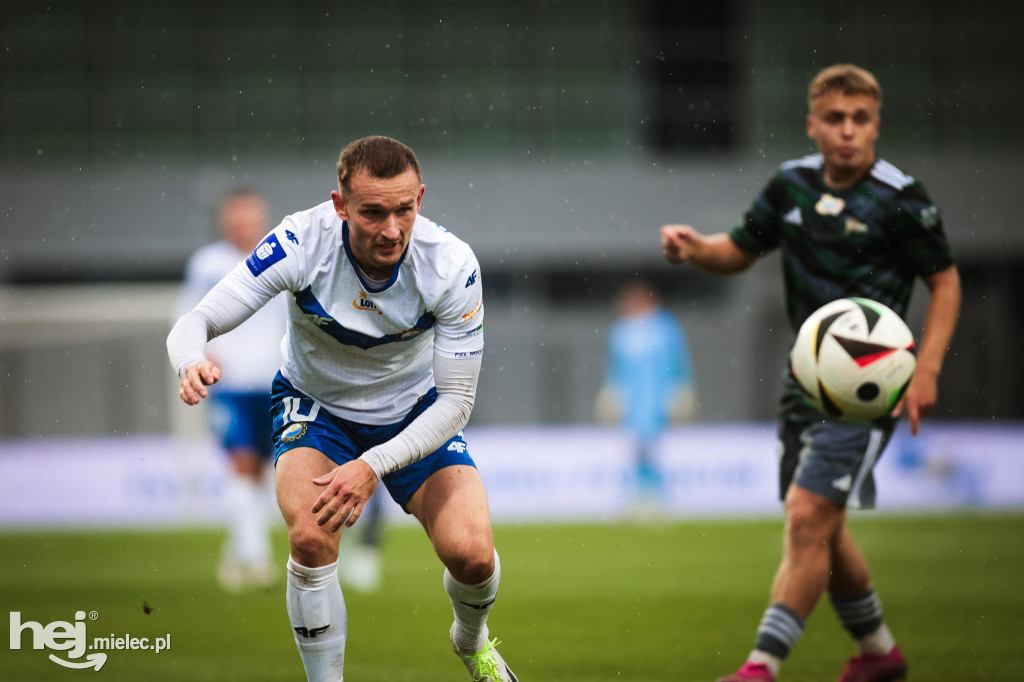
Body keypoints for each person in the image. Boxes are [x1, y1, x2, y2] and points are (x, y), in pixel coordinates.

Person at [167, 135, 516, 682]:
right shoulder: (299, 242)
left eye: (404, 210)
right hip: (316, 406)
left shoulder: (451, 265)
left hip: (415, 409)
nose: (392, 229)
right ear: (340, 206)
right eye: (373, 213)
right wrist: (190, 358)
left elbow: (457, 401)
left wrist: (372, 465)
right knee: (309, 536)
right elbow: (195, 321)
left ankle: (470, 642)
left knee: (471, 555)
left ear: (420, 198)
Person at [660, 64, 961, 682]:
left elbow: (946, 279)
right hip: (808, 383)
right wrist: (697, 249)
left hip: (870, 388)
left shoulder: (902, 196)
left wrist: (926, 369)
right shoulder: (791, 185)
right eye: (835, 119)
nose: (848, 131)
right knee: (823, 524)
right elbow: (739, 251)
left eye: (860, 119)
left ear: (876, 124)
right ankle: (879, 653)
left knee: (806, 519)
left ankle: (761, 667)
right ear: (812, 125)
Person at [176, 188, 286, 592]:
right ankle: (258, 561)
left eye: (251, 217)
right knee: (241, 463)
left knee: (262, 471)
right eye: (237, 218)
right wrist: (203, 356)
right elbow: (189, 317)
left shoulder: (280, 258)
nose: (244, 225)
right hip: (231, 383)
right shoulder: (208, 264)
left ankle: (237, 550)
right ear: (226, 221)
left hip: (276, 381)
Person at [595, 280, 695, 510]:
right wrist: (611, 393)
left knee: (652, 448)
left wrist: (681, 390)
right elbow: (616, 369)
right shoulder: (621, 331)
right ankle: (637, 498)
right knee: (635, 449)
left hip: (657, 400)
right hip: (633, 403)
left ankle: (656, 499)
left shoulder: (666, 328)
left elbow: (678, 363)